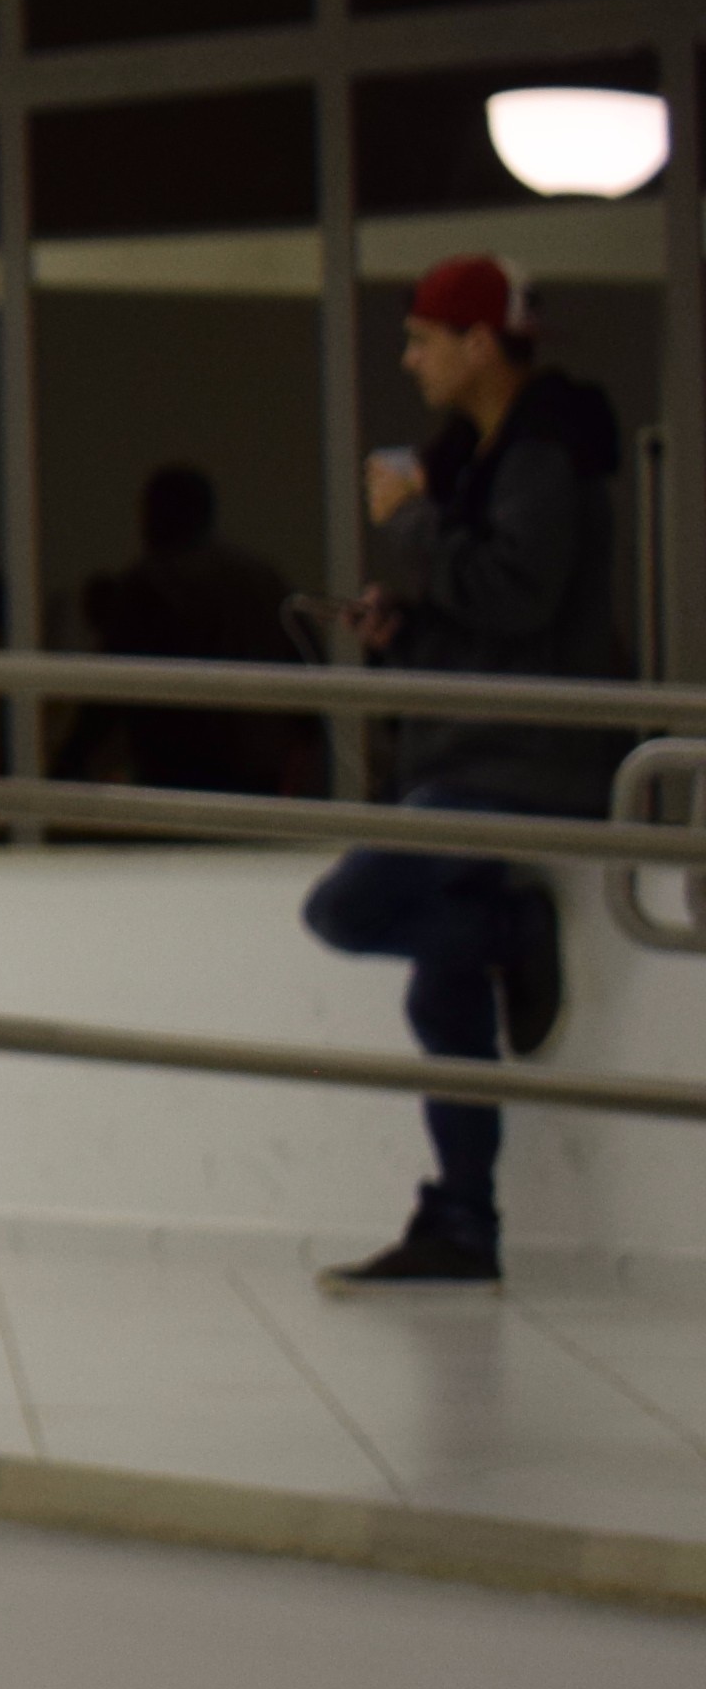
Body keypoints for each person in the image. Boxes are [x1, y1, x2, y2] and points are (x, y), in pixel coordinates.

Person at [310, 252, 633, 1291]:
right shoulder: (481, 458)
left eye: (422, 339)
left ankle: (510, 929)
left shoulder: (539, 455)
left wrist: (411, 524)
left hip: (518, 759)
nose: (409, 361)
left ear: (480, 342)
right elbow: (482, 608)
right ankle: (462, 1223)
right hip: (468, 748)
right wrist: (400, 625)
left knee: (347, 907)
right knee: (440, 997)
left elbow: (518, 594)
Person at [59, 463, 306, 799]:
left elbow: (109, 689)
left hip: (183, 767)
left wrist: (64, 765)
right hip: (259, 765)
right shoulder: (263, 578)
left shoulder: (152, 582)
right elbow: (307, 665)